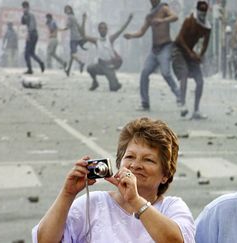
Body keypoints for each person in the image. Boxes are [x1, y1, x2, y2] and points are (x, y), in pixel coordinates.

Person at [32, 117, 195, 243]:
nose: (136, 165)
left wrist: (135, 200)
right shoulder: (93, 203)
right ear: (119, 163)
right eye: (130, 156)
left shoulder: (173, 208)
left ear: (165, 175)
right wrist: (67, 194)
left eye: (148, 160)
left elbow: (175, 240)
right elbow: (44, 240)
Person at [124, 0, 180, 111]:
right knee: (144, 73)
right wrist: (131, 35)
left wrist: (163, 20)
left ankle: (179, 96)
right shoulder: (149, 15)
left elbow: (175, 17)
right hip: (154, 50)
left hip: (165, 47)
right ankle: (145, 103)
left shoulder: (163, 8)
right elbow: (141, 31)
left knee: (166, 73)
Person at [172, 0, 211, 120]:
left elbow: (205, 44)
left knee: (200, 80)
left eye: (205, 11)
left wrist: (201, 55)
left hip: (190, 52)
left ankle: (196, 110)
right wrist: (190, 53)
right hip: (179, 49)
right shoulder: (189, 20)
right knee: (183, 74)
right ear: (198, 10)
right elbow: (180, 39)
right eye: (201, 11)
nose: (203, 14)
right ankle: (182, 104)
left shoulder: (207, 27)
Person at [82, 13, 133, 91]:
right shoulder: (96, 40)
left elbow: (121, 30)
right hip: (100, 65)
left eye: (104, 28)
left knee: (113, 88)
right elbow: (83, 35)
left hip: (109, 67)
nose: (103, 29)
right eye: (101, 28)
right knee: (89, 68)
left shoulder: (110, 39)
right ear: (99, 30)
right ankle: (95, 82)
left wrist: (129, 20)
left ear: (106, 30)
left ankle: (115, 82)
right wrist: (83, 20)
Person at [60, 5, 86, 77]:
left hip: (73, 38)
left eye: (68, 9)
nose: (67, 11)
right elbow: (78, 26)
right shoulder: (74, 17)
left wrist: (60, 29)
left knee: (72, 54)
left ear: (70, 10)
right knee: (72, 55)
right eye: (66, 10)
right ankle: (68, 70)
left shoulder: (69, 17)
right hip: (78, 37)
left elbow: (67, 27)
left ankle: (81, 63)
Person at [21, 1, 45, 74]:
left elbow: (32, 26)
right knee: (31, 53)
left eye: (25, 7)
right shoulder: (25, 15)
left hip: (32, 34)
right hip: (32, 35)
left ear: (28, 7)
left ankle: (30, 69)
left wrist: (28, 35)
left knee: (27, 53)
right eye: (23, 8)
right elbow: (22, 22)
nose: (24, 9)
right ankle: (40, 63)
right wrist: (24, 15)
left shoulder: (31, 15)